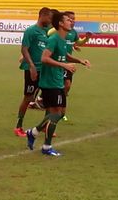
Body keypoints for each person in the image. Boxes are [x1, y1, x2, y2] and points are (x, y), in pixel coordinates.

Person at [26, 11, 89, 156]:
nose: (72, 22)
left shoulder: (63, 39)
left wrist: (79, 61)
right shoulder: (54, 39)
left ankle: (33, 132)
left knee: (60, 113)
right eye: (68, 20)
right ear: (60, 23)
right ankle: (46, 147)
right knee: (56, 113)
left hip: (57, 81)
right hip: (49, 82)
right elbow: (44, 58)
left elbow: (64, 55)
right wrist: (64, 66)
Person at [14, 7, 52, 137]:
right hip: (33, 69)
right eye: (49, 18)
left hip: (46, 69)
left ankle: (44, 126)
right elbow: (24, 49)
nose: (51, 20)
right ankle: (18, 126)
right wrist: (31, 66)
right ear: (43, 16)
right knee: (28, 98)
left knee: (49, 98)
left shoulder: (48, 32)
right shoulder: (31, 31)